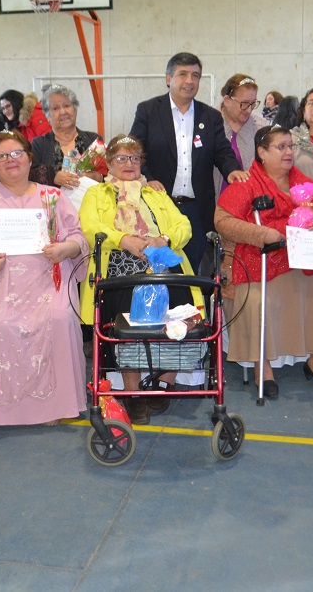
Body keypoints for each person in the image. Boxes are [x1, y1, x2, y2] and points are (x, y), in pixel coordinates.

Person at [0, 130, 88, 426]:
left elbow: (78, 237)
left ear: (29, 158)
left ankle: (54, 405)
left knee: (60, 316)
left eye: (17, 153)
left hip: (48, 278)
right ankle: (10, 407)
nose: (11, 160)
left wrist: (65, 248)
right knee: (1, 321)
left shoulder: (52, 196)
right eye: (2, 156)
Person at [215, 126, 313, 398]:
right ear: (262, 153)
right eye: (281, 147)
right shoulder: (246, 183)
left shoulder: (303, 182)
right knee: (258, 302)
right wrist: (263, 234)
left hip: (301, 258)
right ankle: (262, 366)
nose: (289, 152)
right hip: (260, 256)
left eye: (291, 146)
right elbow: (222, 221)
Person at [78, 135, 202, 424]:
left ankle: (165, 381)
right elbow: (89, 226)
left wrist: (165, 238)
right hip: (119, 265)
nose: (129, 164)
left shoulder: (156, 192)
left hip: (163, 264)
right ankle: (132, 392)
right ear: (109, 163)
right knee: (124, 323)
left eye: (134, 158)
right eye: (121, 158)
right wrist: (124, 239)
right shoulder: (97, 194)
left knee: (181, 313)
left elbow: (183, 224)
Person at [130, 52, 249, 271]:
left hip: (197, 209)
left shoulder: (210, 116)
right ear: (168, 78)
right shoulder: (148, 110)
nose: (190, 81)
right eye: (183, 74)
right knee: (160, 269)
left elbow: (222, 151)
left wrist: (232, 170)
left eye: (195, 75)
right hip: (160, 206)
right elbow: (135, 152)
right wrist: (149, 179)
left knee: (194, 270)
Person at [30, 84, 106, 188]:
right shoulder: (39, 144)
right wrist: (53, 176)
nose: (62, 112)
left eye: (67, 106)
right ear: (47, 116)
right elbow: (29, 174)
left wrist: (98, 177)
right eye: (55, 108)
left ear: (75, 110)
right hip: (53, 202)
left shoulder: (94, 140)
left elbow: (110, 173)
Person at [216, 74, 268, 196]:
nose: (249, 110)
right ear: (227, 101)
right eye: (244, 103)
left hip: (249, 202)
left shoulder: (261, 127)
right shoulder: (208, 123)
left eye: (253, 104)